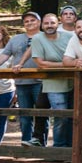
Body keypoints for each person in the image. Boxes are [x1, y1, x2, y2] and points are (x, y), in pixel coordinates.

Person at [30, 13, 75, 147]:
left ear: (58, 24)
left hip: (72, 81)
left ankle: (71, 145)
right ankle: (58, 146)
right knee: (60, 114)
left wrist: (70, 63)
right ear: (42, 25)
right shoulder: (38, 38)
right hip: (52, 82)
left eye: (52, 23)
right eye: (46, 23)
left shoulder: (69, 37)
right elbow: (40, 62)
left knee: (72, 116)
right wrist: (66, 64)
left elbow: (77, 55)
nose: (49, 26)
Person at [4, 11, 41, 144]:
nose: (30, 23)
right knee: (25, 116)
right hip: (22, 82)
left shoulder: (45, 37)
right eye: (26, 21)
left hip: (41, 82)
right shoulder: (15, 39)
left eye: (33, 20)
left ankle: (40, 143)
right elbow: (4, 55)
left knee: (41, 115)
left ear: (39, 22)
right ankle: (26, 142)